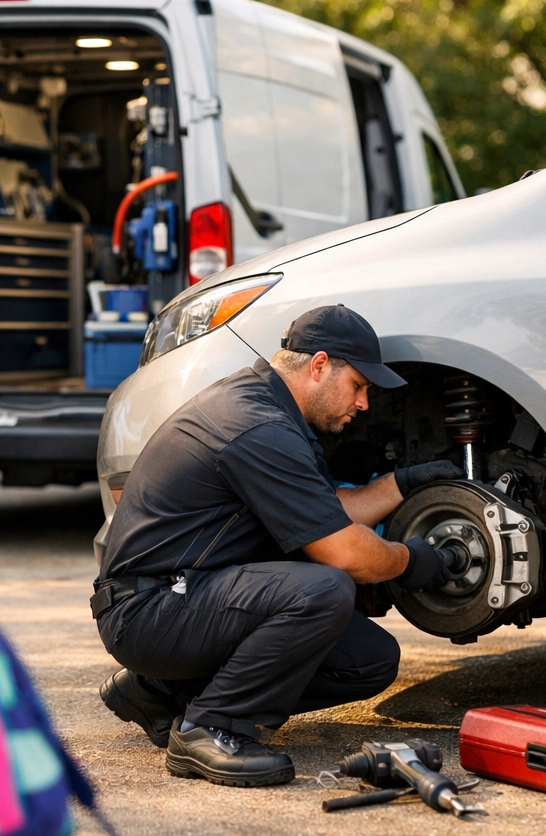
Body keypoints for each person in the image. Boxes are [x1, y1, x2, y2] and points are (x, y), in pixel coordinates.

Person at [92, 305, 463, 787]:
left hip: (181, 599)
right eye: (359, 386)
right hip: (147, 610)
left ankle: (158, 691)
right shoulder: (256, 425)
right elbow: (345, 553)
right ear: (319, 365)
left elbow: (327, 511)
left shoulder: (266, 408)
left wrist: (402, 482)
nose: (364, 403)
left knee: (368, 661)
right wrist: (410, 560)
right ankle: (209, 727)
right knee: (323, 589)